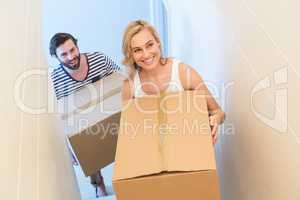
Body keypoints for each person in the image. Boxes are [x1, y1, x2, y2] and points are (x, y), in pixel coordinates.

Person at [121, 20, 225, 144]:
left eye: (149, 45)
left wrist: (215, 120)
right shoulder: (130, 87)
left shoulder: (183, 73)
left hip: (190, 147)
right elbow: (129, 131)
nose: (146, 54)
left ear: (158, 43)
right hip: (155, 155)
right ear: (131, 55)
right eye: (137, 50)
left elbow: (218, 112)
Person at [49, 32, 120, 197]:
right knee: (91, 159)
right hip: (83, 127)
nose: (71, 56)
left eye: (72, 50)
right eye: (64, 54)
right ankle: (100, 188)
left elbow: (121, 81)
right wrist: (68, 147)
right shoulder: (56, 81)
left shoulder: (99, 60)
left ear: (77, 45)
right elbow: (58, 117)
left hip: (110, 116)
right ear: (56, 57)